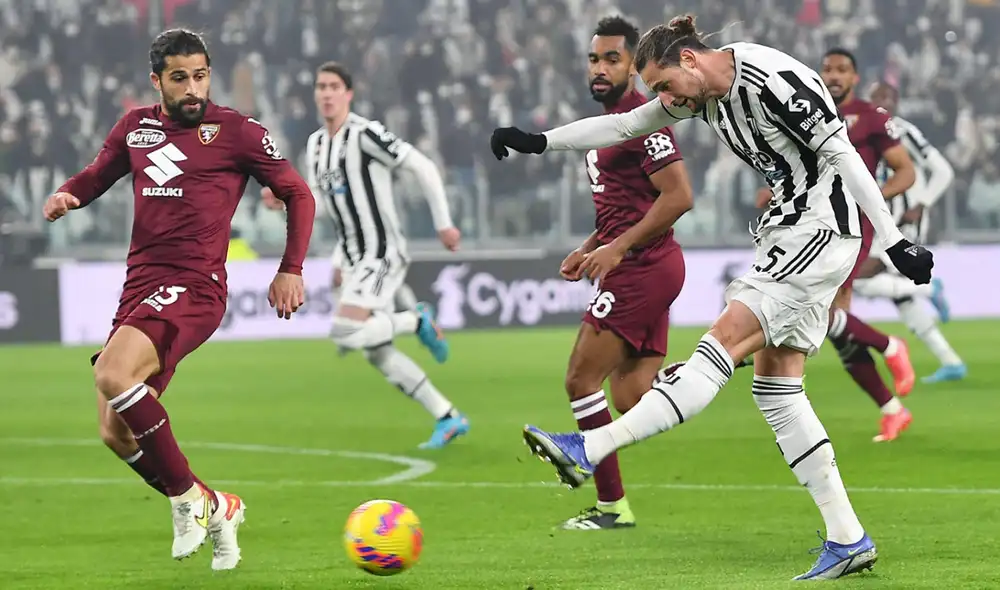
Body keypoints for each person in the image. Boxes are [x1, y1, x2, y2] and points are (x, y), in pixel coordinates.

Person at [491, 15, 934, 580]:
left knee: (722, 339)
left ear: (691, 61)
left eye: (666, 85)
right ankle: (848, 538)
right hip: (790, 230)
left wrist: (895, 243)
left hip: (820, 230)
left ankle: (590, 448)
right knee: (777, 389)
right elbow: (627, 125)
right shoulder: (699, 94)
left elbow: (845, 155)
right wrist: (540, 142)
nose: (662, 98)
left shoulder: (775, 79)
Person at [42, 29, 316, 569]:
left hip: (195, 285)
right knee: (114, 432)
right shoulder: (135, 129)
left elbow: (297, 193)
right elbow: (99, 175)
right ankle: (217, 506)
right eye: (180, 79)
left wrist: (291, 269)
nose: (193, 89)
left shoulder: (237, 131)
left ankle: (187, 501)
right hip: (140, 286)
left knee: (112, 376)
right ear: (156, 82)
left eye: (200, 76)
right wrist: (69, 192)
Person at [266, 61, 468, 449]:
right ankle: (448, 416)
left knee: (344, 331)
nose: (326, 93)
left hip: (382, 252)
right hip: (356, 256)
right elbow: (329, 206)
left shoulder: (365, 134)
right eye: (320, 86)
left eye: (334, 86)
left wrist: (443, 222)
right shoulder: (316, 145)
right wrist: (286, 204)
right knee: (375, 352)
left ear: (348, 93)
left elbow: (422, 167)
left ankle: (416, 319)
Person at [552, 16, 692, 531]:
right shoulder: (604, 126)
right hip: (640, 261)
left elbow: (679, 196)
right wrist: (591, 246)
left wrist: (617, 248)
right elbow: (626, 204)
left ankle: (611, 507)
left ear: (634, 65)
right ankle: (708, 368)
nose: (600, 67)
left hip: (645, 265)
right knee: (632, 398)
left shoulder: (641, 116)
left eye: (612, 58)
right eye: (594, 58)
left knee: (579, 379)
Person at [818, 48, 918, 441]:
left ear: (855, 77)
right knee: (836, 325)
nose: (834, 76)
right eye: (827, 69)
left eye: (842, 70)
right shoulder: (810, 112)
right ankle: (892, 409)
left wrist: (873, 197)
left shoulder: (872, 117)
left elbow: (906, 171)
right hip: (814, 224)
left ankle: (890, 345)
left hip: (851, 226)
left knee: (823, 315)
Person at [853, 82, 965, 384]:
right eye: (875, 97)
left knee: (856, 278)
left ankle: (930, 289)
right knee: (900, 299)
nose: (881, 102)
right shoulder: (864, 131)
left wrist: (922, 203)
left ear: (897, 102)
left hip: (903, 222)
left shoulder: (903, 131)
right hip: (879, 221)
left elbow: (943, 170)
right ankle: (950, 360)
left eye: (887, 97)